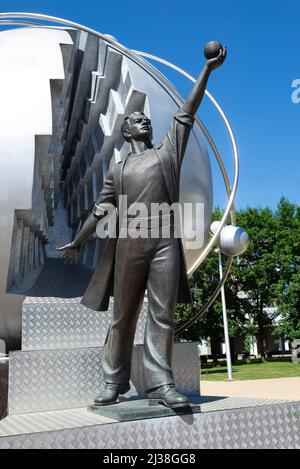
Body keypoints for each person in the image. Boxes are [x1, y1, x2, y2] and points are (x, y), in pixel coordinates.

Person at [57, 43, 226, 408]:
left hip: (164, 241)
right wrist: (78, 242)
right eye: (136, 120)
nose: (144, 120)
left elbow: (186, 113)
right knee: (124, 315)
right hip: (131, 243)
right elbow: (101, 211)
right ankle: (112, 381)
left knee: (162, 313)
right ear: (126, 132)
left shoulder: (166, 153)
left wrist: (207, 71)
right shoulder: (118, 172)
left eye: (146, 119)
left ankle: (161, 384)